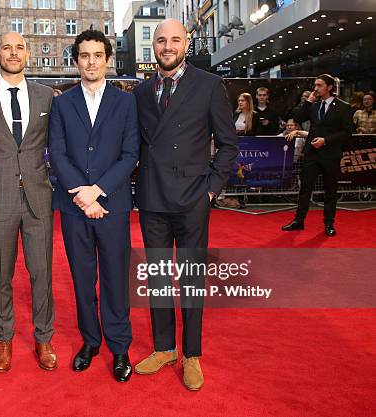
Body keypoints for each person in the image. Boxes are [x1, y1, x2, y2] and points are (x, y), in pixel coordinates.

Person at [132, 18, 238, 391]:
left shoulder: (208, 85)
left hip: (193, 198)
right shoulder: (142, 93)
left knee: (192, 280)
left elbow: (228, 144)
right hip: (153, 198)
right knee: (159, 278)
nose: (167, 46)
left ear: (186, 43)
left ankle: (191, 354)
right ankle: (164, 348)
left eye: (175, 39)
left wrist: (211, 189)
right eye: (161, 41)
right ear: (153, 46)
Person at [49, 29, 140, 383]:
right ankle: (91, 341)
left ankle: (120, 347)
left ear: (107, 59)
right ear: (76, 61)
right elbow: (57, 153)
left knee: (116, 279)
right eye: (84, 55)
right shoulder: (62, 102)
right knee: (83, 280)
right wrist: (83, 195)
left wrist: (98, 191)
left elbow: (130, 153)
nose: (91, 62)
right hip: (74, 208)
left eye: (97, 55)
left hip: (113, 206)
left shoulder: (125, 102)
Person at [0, 32, 57, 372]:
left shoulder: (46, 96)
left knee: (42, 274)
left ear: (28, 54)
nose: (13, 53)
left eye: (19, 47)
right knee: (1, 275)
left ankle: (44, 337)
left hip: (38, 197)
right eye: (6, 47)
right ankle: (4, 338)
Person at [282, 74, 353, 237]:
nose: (315, 88)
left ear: (329, 87)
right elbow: (298, 118)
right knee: (305, 189)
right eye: (315, 85)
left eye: (319, 85)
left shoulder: (344, 107)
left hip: (330, 155)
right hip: (311, 154)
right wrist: (308, 101)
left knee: (330, 190)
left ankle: (329, 223)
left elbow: (347, 133)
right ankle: (298, 221)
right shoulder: (313, 106)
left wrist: (325, 140)